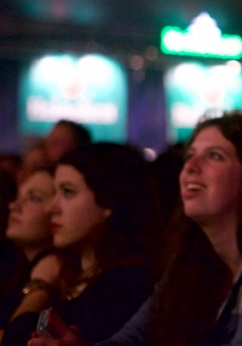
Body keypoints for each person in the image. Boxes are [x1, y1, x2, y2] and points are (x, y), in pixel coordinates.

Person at [30, 113, 242, 346]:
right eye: (190, 155)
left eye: (214, 156)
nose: (191, 166)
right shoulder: (192, 261)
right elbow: (132, 339)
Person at [2, 143, 159, 346]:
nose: (52, 207)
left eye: (68, 192)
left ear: (109, 201)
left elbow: (16, 339)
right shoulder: (71, 273)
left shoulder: (126, 282)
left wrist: (40, 286)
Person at [0, 167, 57, 335]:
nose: (14, 206)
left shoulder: (56, 277)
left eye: (34, 198)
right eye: (18, 197)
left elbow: (13, 339)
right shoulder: (12, 267)